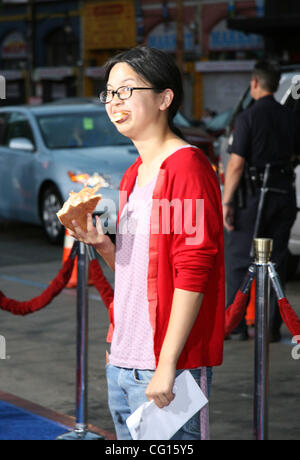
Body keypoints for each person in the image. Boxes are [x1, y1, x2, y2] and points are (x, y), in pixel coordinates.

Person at [69, 46, 225, 440]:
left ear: (164, 98)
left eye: (126, 90)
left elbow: (194, 270)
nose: (113, 102)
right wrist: (102, 244)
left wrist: (167, 364)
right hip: (123, 363)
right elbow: (137, 272)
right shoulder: (134, 174)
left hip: (163, 369)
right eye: (109, 93)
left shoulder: (186, 167)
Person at [223, 60, 299, 342]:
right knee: (276, 260)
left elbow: (235, 165)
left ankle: (236, 326)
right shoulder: (290, 116)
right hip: (284, 194)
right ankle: (270, 328)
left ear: (255, 83)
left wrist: (227, 201)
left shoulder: (248, 117)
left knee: (239, 260)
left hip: (253, 197)